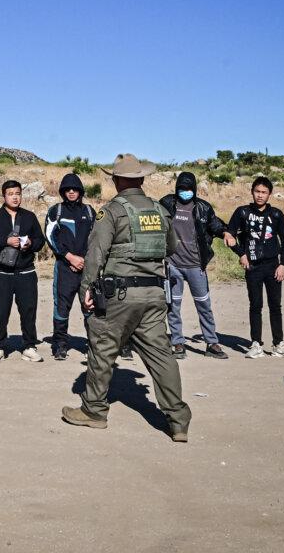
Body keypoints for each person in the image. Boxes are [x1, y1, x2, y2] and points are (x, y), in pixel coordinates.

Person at [61, 154, 191, 442]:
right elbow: (171, 247)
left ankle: (94, 410)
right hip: (155, 294)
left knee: (102, 347)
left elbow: (95, 254)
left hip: (120, 294)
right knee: (161, 355)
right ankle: (178, 420)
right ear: (141, 179)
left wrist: (87, 290)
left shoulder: (112, 212)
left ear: (117, 180)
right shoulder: (160, 211)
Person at [159, 172, 235, 360]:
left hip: (196, 266)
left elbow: (215, 225)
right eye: (182, 189)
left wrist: (226, 232)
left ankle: (211, 343)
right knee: (173, 306)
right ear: (176, 189)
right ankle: (177, 343)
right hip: (173, 265)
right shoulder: (167, 204)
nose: (185, 192)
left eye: (188, 189)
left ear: (194, 189)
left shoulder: (203, 208)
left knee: (204, 305)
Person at [227, 177, 284, 359]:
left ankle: (278, 343)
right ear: (252, 192)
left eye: (264, 192)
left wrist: (283, 264)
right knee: (255, 305)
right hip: (253, 266)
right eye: (257, 191)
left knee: (275, 306)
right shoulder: (242, 213)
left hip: (273, 266)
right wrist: (241, 253)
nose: (260, 195)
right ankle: (256, 343)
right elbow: (229, 235)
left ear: (269, 194)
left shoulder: (277, 215)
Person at [0, 180, 45, 363]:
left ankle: (29, 345)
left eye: (17, 193)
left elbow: (40, 240)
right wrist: (6, 241)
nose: (15, 197)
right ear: (4, 196)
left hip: (26, 272)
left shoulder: (29, 217)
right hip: (2, 273)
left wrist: (31, 244)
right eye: (11, 194)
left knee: (28, 310)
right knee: (0, 311)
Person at [43, 174, 95, 360]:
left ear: (80, 191)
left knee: (90, 307)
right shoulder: (55, 211)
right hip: (64, 268)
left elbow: (97, 240)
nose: (71, 192)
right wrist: (70, 258)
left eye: (74, 189)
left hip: (87, 269)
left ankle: (94, 346)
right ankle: (60, 346)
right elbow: (50, 236)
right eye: (67, 189)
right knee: (62, 308)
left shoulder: (90, 212)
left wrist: (84, 262)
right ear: (63, 192)